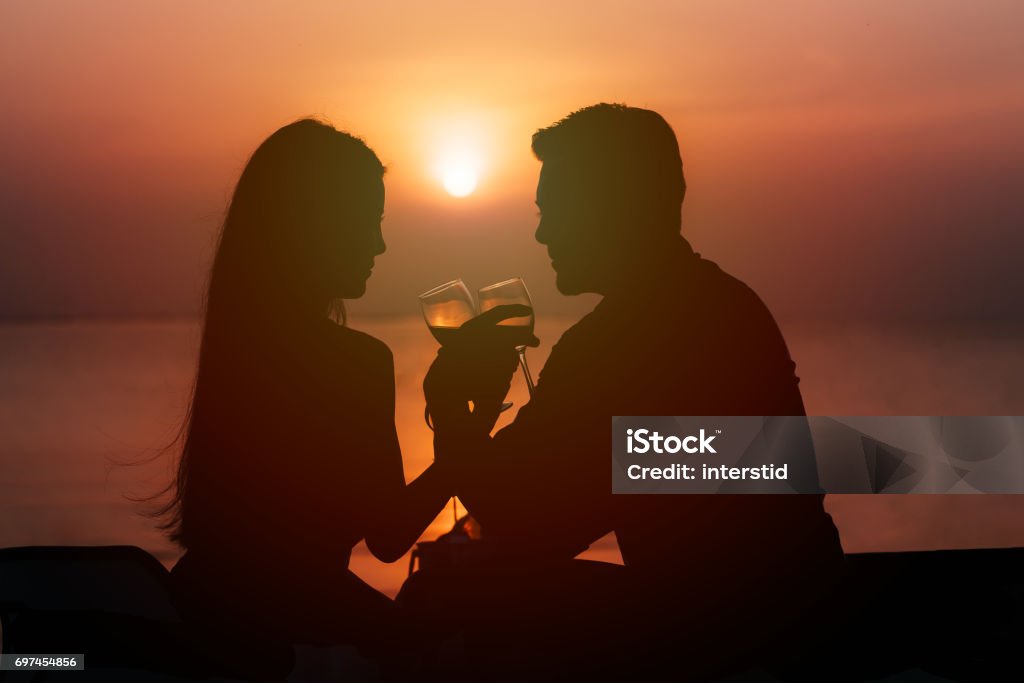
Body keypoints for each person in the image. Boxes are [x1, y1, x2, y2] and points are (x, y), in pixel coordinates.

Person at [414, 104, 845, 679]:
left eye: (555, 212)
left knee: (446, 596)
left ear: (614, 210)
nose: (542, 232)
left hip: (722, 642)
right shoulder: (732, 305)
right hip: (805, 624)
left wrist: (449, 405)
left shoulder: (615, 342)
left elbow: (525, 517)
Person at [162, 119, 452, 659]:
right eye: (369, 222)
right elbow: (387, 540)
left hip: (203, 609)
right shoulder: (354, 361)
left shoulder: (238, 346)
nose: (380, 244)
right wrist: (465, 438)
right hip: (291, 626)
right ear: (316, 226)